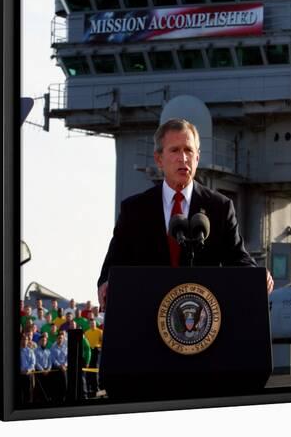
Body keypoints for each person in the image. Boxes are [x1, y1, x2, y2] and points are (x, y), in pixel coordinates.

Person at [98, 118, 274, 309]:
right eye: (175, 150)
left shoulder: (220, 208)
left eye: (189, 150)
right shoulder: (135, 210)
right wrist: (106, 283)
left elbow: (238, 258)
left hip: (203, 319)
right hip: (148, 315)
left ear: (197, 158)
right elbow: (114, 263)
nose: (183, 158)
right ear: (159, 159)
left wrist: (257, 276)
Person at [84, 319, 103, 396]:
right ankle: (90, 388)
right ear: (89, 324)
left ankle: (97, 388)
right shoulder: (86, 333)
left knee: (95, 370)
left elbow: (102, 342)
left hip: (96, 352)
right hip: (89, 352)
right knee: (89, 370)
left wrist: (99, 347)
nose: (92, 325)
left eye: (93, 323)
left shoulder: (100, 331)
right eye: (91, 323)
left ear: (96, 324)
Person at [50, 331, 68, 404]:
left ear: (63, 339)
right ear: (56, 339)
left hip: (64, 368)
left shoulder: (66, 347)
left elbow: (68, 357)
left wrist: (65, 365)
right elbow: (53, 359)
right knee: (57, 386)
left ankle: (64, 398)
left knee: (65, 385)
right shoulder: (53, 347)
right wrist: (60, 366)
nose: (60, 339)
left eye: (61, 338)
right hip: (57, 369)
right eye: (58, 338)